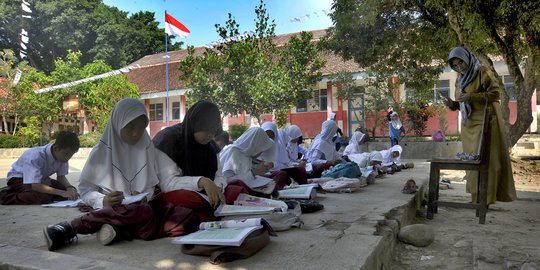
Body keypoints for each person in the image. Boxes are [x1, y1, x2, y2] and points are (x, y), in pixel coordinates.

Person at [43, 98, 202, 251]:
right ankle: (71, 227)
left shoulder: (148, 148)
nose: (136, 134)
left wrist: (145, 196)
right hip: (113, 208)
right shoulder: (100, 153)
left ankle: (119, 229)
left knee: (187, 218)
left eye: (141, 128)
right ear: (118, 124)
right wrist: (103, 200)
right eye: (130, 127)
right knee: (141, 213)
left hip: (141, 207)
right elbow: (84, 190)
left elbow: (167, 179)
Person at [444, 46, 516, 204]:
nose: (459, 67)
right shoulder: (460, 78)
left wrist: (472, 96)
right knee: (471, 161)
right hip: (469, 125)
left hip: (486, 121)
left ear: (466, 58)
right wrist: (453, 104)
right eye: (455, 65)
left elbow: (496, 94)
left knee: (487, 159)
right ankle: (476, 197)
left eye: (461, 63)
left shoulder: (481, 71)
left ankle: (487, 198)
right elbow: (463, 102)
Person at [152, 101, 226, 220]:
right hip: (179, 194)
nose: (210, 135)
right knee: (184, 198)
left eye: (214, 131)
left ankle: (210, 209)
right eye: (206, 130)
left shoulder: (210, 146)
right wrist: (202, 182)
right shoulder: (168, 139)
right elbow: (167, 184)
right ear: (195, 124)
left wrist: (217, 189)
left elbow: (220, 175)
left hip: (205, 195)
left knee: (235, 188)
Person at [1, 131, 80, 205]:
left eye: (71, 155)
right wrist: (62, 193)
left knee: (66, 190)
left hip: (40, 179)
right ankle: (5, 196)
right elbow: (35, 186)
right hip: (20, 178)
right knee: (42, 197)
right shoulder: (35, 156)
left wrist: (69, 188)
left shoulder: (62, 157)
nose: (68, 158)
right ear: (56, 148)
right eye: (66, 154)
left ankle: (25, 192)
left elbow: (61, 177)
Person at [219, 127, 288, 203]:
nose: (260, 153)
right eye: (260, 150)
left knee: (272, 184)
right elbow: (227, 180)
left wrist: (257, 173)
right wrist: (254, 173)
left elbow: (244, 173)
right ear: (254, 145)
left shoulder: (246, 155)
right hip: (229, 191)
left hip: (248, 186)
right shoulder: (234, 152)